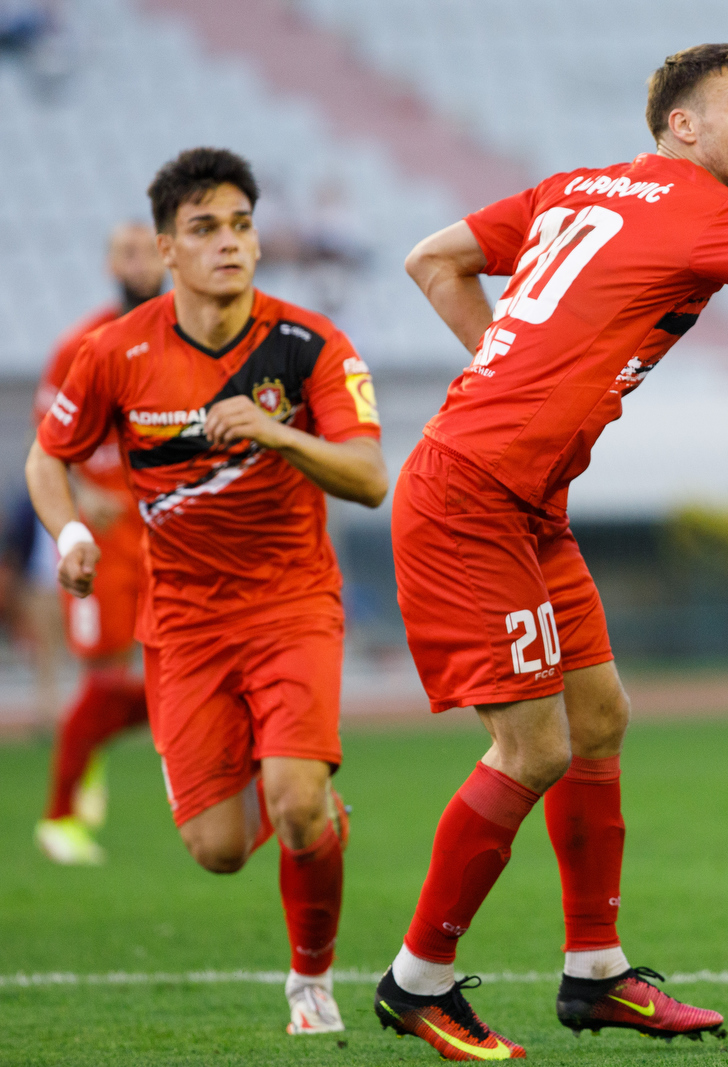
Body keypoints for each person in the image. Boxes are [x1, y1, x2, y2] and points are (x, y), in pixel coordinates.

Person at [377, 43, 728, 1058]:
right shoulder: (707, 206)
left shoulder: (575, 187)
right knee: (536, 746)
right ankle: (416, 981)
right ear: (681, 127)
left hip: (519, 494)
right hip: (472, 495)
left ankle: (595, 971)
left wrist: (515, 366)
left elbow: (433, 256)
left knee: (598, 718)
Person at [26, 148, 387, 1034]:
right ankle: (306, 802)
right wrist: (70, 531)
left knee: (295, 805)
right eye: (204, 230)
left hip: (294, 603)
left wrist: (276, 432)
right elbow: (48, 457)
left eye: (241, 225)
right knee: (218, 849)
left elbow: (371, 477)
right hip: (184, 622)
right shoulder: (115, 352)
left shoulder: (309, 344)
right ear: (166, 250)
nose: (229, 243)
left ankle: (311, 980)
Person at [32, 222, 165, 866]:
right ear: (111, 262)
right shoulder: (81, 343)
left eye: (148, 250)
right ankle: (61, 814)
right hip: (109, 538)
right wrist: (83, 491)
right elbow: (49, 436)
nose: (138, 263)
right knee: (105, 674)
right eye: (126, 252)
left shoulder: (187, 336)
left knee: (171, 676)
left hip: (171, 532)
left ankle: (87, 754)